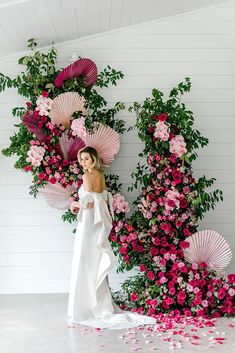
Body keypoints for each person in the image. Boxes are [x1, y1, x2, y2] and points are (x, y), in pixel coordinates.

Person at [67, 146, 156, 329]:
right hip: (96, 224)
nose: (83, 162)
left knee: (84, 260)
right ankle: (96, 300)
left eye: (86, 159)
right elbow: (98, 199)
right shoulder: (99, 175)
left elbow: (90, 204)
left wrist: (74, 204)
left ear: (93, 159)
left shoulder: (87, 176)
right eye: (81, 159)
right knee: (92, 259)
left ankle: (83, 307)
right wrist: (81, 204)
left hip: (88, 224)